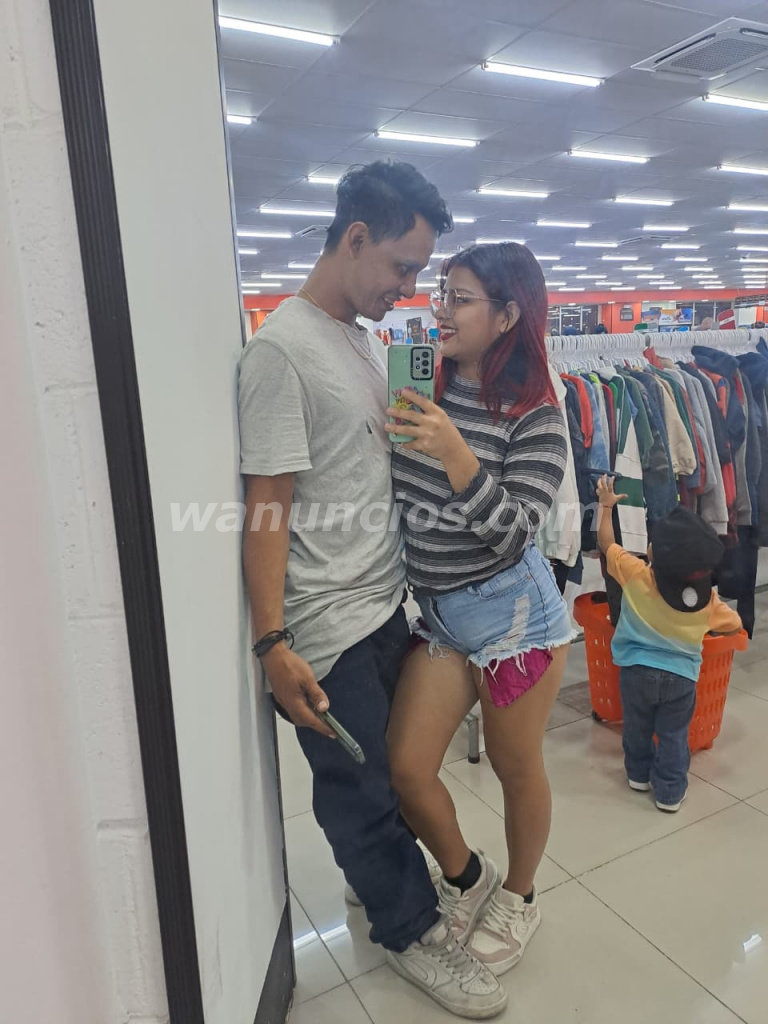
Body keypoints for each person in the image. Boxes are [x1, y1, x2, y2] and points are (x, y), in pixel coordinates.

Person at [238, 162, 508, 1020]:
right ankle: (412, 930)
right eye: (403, 267)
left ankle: (384, 887)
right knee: (360, 798)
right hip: (326, 626)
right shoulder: (281, 352)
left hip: (384, 605)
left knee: (392, 777)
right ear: (355, 238)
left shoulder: (358, 340)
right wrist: (273, 642)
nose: (410, 289)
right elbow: (268, 505)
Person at [386, 243, 574, 977]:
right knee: (407, 768)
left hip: (514, 618)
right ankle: (468, 877)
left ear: (506, 315)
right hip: (439, 612)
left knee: (513, 765)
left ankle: (520, 897)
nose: (441, 309)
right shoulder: (423, 383)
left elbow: (515, 533)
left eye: (459, 298)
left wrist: (455, 450)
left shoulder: (538, 414)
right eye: (441, 293)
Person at [596, 477, 742, 811]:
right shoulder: (708, 601)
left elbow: (606, 543)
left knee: (637, 727)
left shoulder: (636, 573)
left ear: (655, 555)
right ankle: (670, 793)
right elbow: (734, 625)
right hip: (681, 679)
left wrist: (605, 507)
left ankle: (638, 776)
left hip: (635, 672)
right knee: (674, 735)